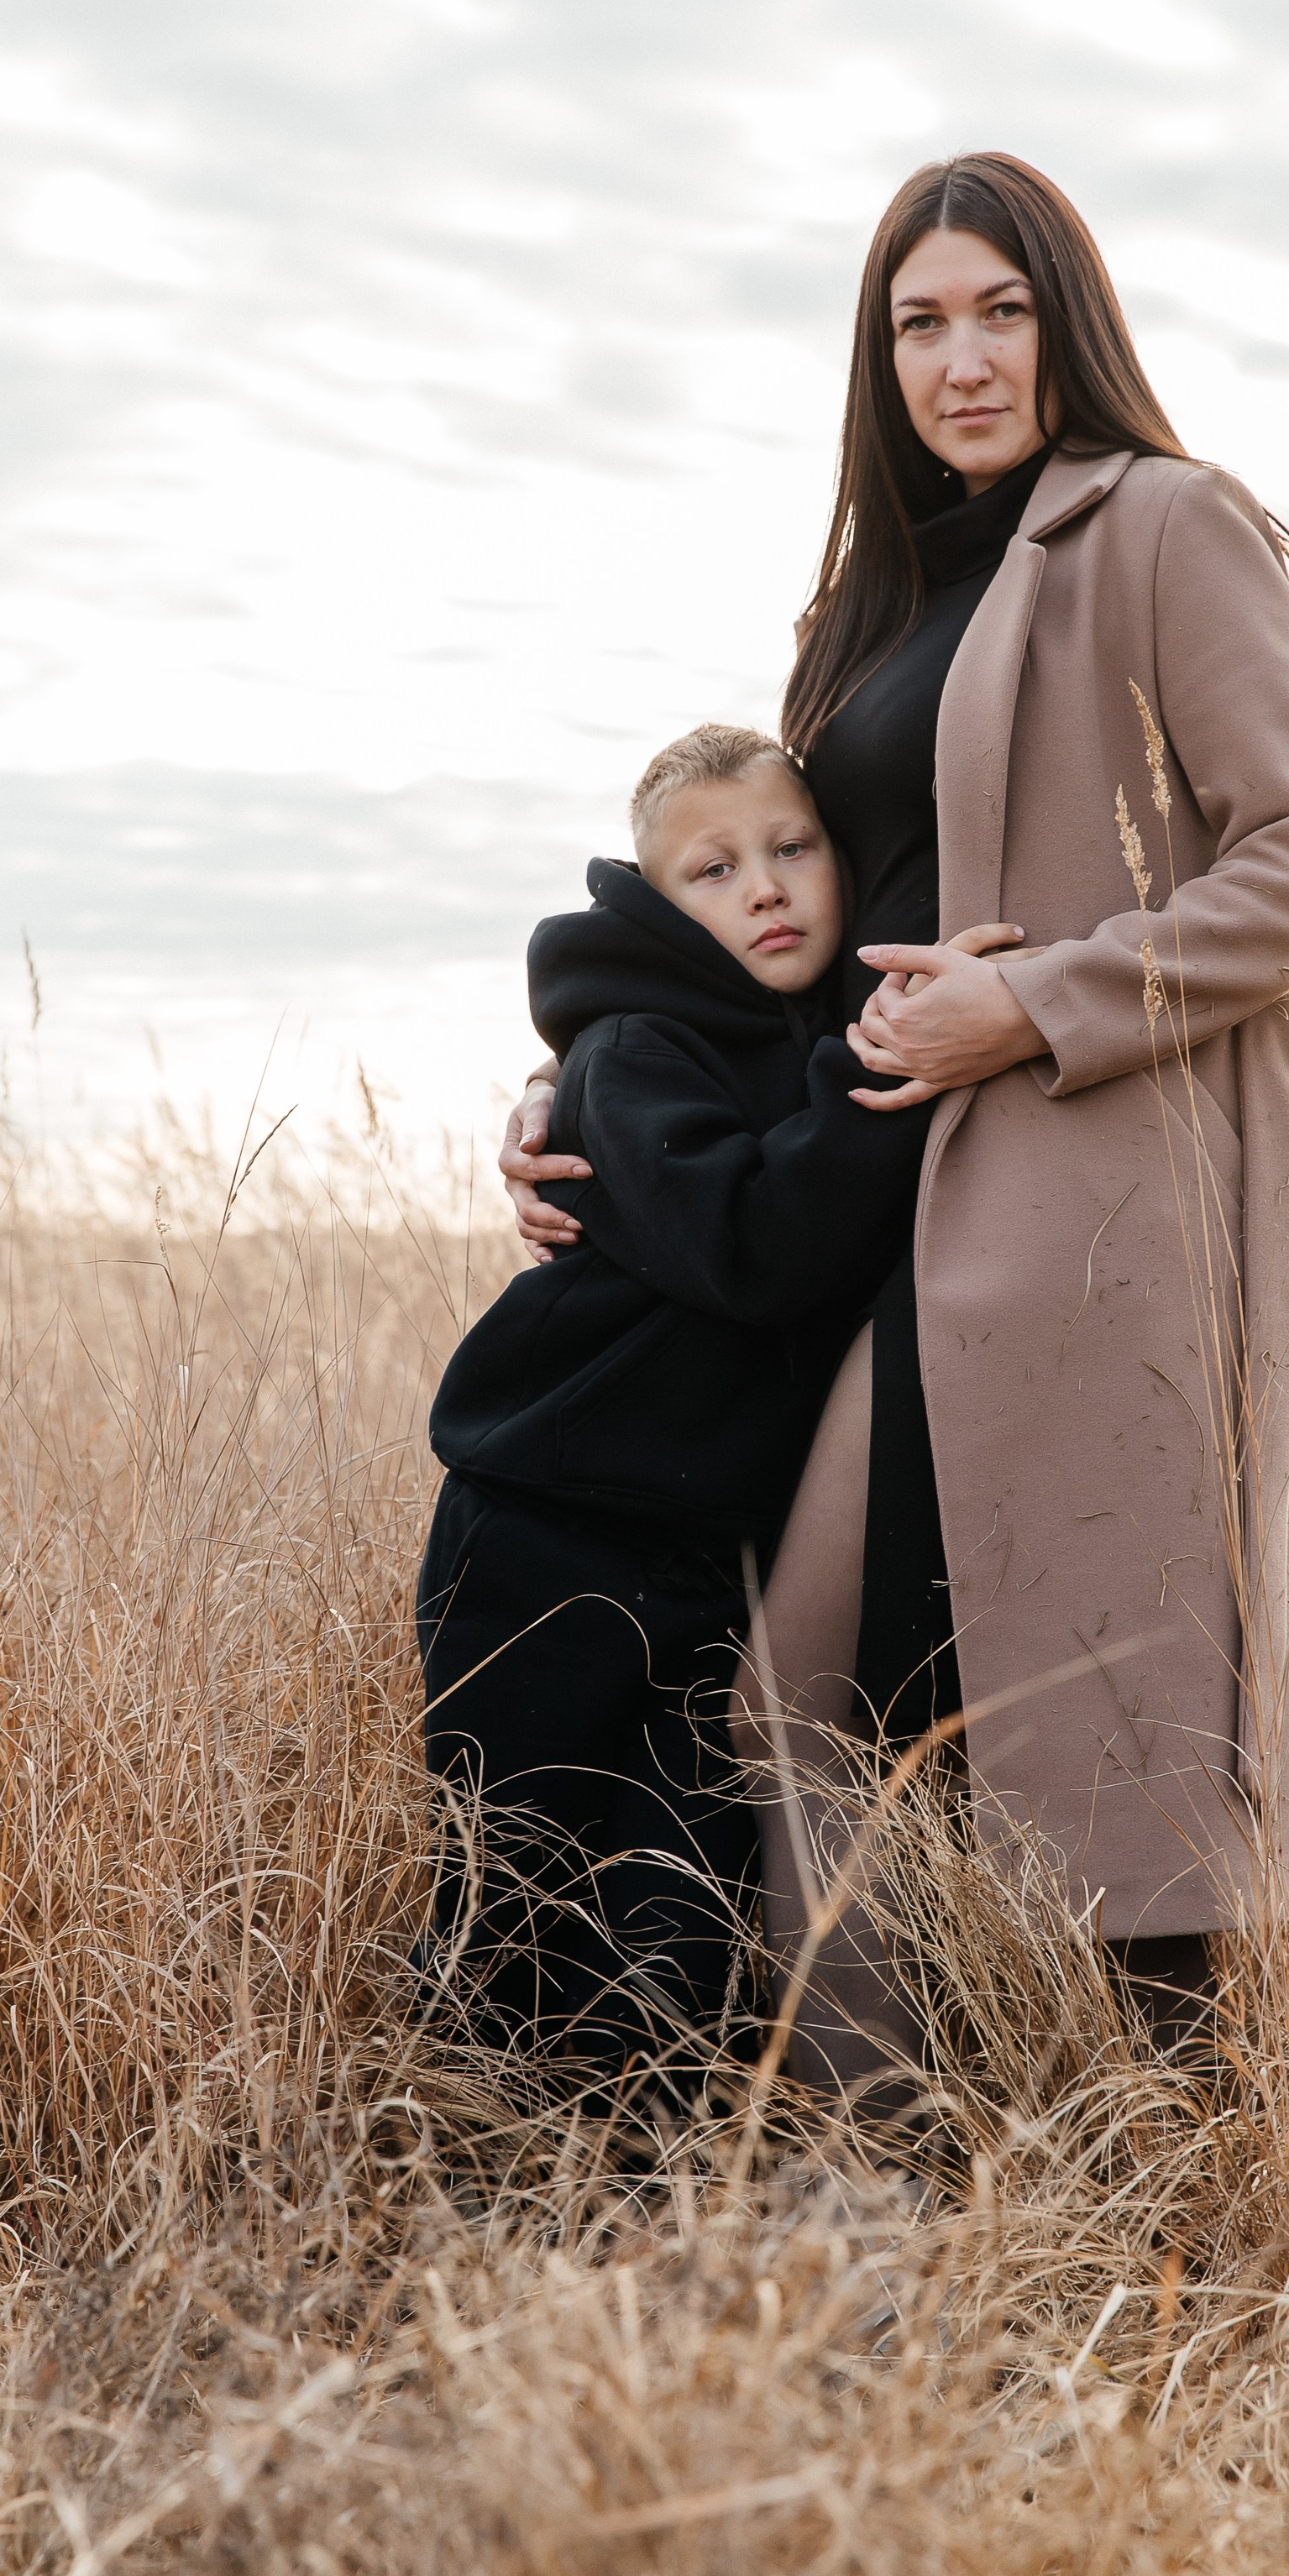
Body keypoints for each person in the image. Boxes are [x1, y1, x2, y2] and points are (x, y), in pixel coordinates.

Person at [501, 151, 1289, 2095]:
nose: (963, 357)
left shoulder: (1163, 525)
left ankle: (1137, 2177)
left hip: (1071, 1206)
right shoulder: (871, 600)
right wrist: (600, 1085)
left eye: (1001, 310)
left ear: (1068, 320)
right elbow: (790, 931)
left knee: (1069, 1688)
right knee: (843, 1690)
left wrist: (1038, 999)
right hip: (866, 1201)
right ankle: (892, 2145)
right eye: (921, 322)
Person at [418, 723, 950, 2093]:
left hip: (699, 1534)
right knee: (525, 1856)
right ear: (660, 903)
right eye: (714, 872)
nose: (764, 889)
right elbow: (752, 1245)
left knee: (678, 1862)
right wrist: (875, 1078)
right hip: (551, 1520)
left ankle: (657, 2152)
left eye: (791, 850)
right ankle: (490, 2145)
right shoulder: (633, 1049)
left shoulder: (795, 1032)